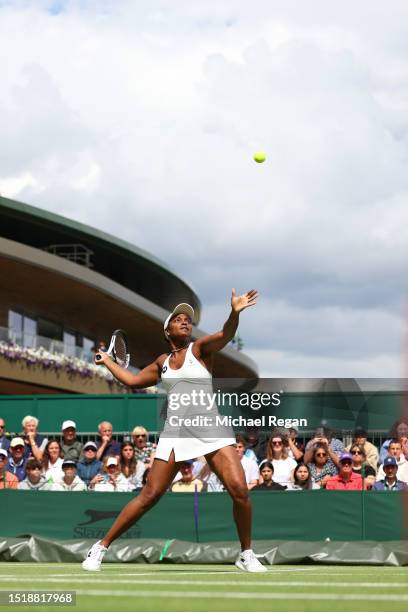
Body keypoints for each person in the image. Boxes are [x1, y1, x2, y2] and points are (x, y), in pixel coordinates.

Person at [83, 290, 266, 573]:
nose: (185, 322)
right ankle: (100, 547)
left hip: (211, 429)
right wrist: (107, 362)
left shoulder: (201, 349)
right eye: (178, 320)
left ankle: (246, 554)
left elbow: (226, 334)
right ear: (167, 330)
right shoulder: (161, 363)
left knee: (240, 490)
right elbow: (132, 380)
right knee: (150, 494)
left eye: (188, 320)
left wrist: (235, 313)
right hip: (176, 433)